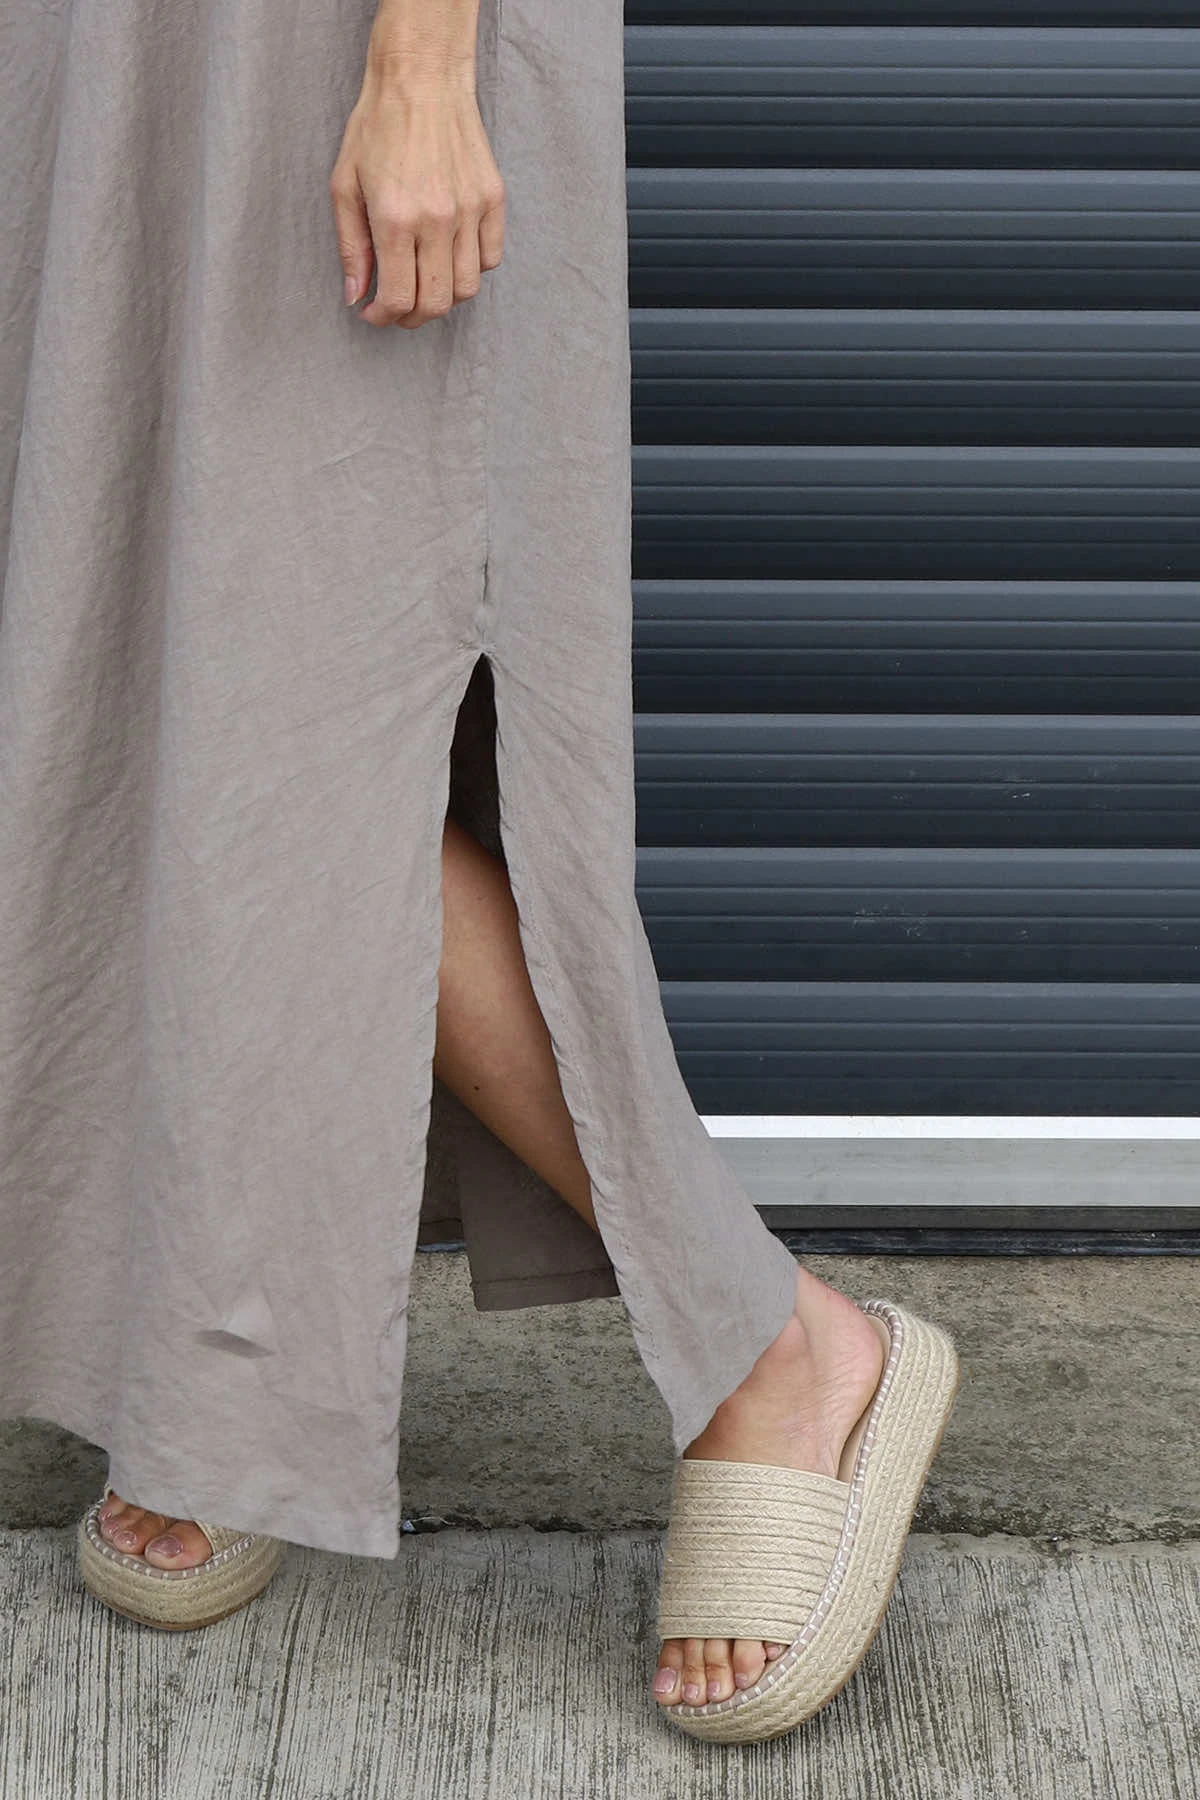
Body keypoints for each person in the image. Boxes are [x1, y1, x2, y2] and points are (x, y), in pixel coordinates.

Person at [0, 0, 959, 1744]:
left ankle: (777, 1346)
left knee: (297, 729)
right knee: (125, 696)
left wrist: (423, 62)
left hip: (309, 49)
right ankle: (226, 1366)